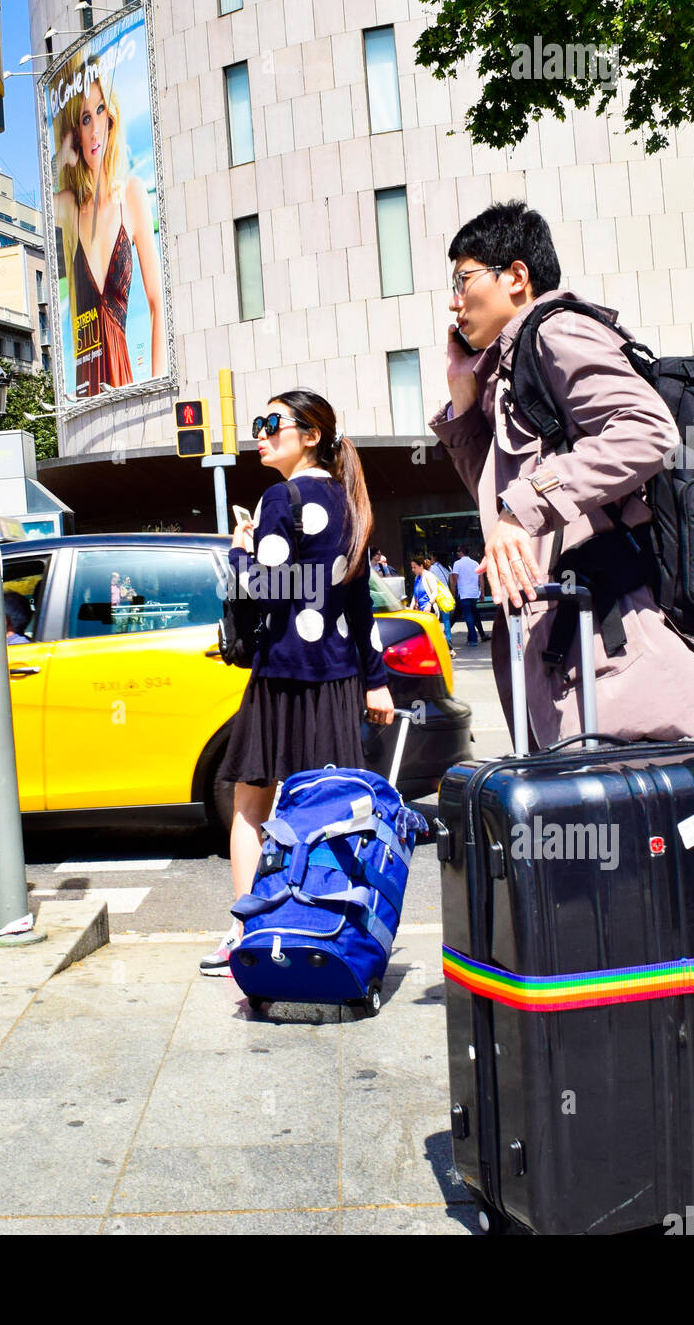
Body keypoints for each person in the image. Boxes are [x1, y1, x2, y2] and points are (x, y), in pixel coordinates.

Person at [430, 200, 694, 747]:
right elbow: (495, 500)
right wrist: (464, 403)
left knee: (616, 820)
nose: (454, 300)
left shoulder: (555, 331)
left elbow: (648, 430)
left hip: (602, 645)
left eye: (463, 279)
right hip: (560, 645)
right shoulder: (514, 365)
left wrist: (525, 506)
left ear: (516, 276)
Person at [205, 390, 396, 976]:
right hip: (337, 678)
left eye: (271, 424)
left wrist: (237, 553)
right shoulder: (347, 501)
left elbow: (265, 587)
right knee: (329, 808)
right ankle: (330, 929)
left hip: (282, 675)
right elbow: (359, 601)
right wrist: (376, 680)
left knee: (251, 804)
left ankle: (247, 933)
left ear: (309, 434)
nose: (259, 433)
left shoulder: (278, 498)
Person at [53, 58, 164, 398]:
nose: (95, 129)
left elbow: (158, 301)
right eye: (85, 119)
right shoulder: (70, 206)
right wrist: (61, 160)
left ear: (111, 117)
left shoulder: (131, 193)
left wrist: (155, 387)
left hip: (126, 376)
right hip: (85, 383)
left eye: (99, 111)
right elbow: (44, 211)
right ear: (75, 133)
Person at [451, 546, 485, 645]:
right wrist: (482, 592)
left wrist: (454, 593)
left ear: (461, 552)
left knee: (468, 616)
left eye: (458, 552)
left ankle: (473, 639)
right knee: (473, 614)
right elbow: (481, 579)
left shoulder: (457, 564)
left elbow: (454, 580)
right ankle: (471, 637)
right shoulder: (475, 563)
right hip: (474, 593)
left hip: (464, 593)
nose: (457, 553)